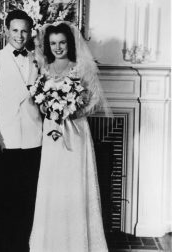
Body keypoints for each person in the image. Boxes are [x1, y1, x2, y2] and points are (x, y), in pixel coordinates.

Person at [29, 22, 110, 252]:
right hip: (51, 133)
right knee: (52, 183)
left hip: (75, 132)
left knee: (73, 182)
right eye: (53, 43)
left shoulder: (80, 68)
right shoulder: (44, 69)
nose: (58, 47)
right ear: (48, 45)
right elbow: (39, 101)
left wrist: (71, 111)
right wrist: (49, 109)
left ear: (70, 43)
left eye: (62, 42)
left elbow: (94, 102)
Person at [0, 9, 42, 252]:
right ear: (6, 31)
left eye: (24, 30)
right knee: (4, 204)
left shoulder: (37, 60)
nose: (20, 35)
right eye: (15, 30)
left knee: (27, 203)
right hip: (4, 142)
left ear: (30, 32)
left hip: (34, 141)